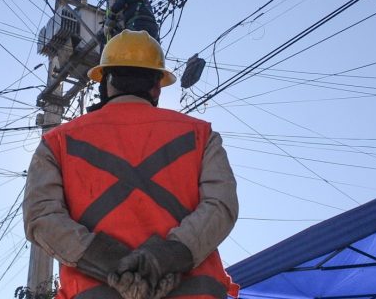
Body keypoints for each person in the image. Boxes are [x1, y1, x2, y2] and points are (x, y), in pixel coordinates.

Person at [23, 30, 239, 299]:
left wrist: (114, 265)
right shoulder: (201, 135)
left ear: (106, 82)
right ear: (157, 87)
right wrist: (166, 258)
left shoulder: (56, 143)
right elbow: (221, 205)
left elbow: (41, 216)